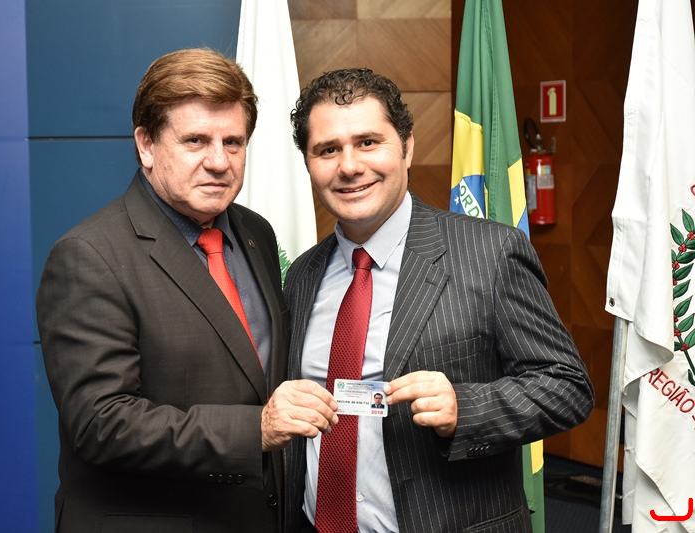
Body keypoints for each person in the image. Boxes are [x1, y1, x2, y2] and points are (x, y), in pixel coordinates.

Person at [36, 48, 337, 533]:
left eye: (233, 142)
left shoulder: (255, 233)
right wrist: (255, 430)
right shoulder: (89, 255)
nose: (219, 162)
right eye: (195, 140)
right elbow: (101, 423)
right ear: (147, 145)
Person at [283, 68, 594, 533]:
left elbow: (567, 387)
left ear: (406, 147)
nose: (348, 166)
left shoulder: (490, 253)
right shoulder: (303, 274)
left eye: (368, 142)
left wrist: (465, 408)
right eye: (328, 150)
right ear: (309, 163)